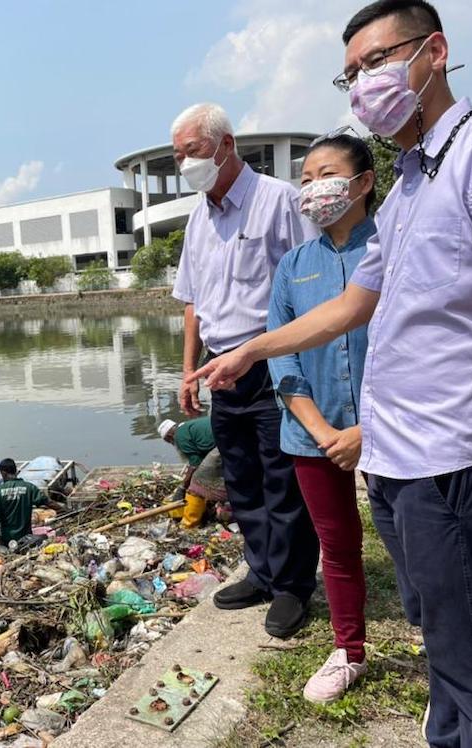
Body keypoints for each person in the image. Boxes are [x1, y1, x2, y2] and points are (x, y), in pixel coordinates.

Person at [188, 2, 472, 744]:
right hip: (395, 459)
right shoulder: (410, 183)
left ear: (435, 52)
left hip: (450, 455)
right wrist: (252, 351)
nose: (364, 84)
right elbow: (357, 304)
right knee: (446, 650)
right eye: (352, 72)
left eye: (377, 61)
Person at [171, 101, 320, 638]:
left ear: (226, 145)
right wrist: (190, 371)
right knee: (241, 478)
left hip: (273, 361)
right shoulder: (198, 218)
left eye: (194, 151)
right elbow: (192, 301)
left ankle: (293, 586)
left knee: (284, 478)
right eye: (179, 155)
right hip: (220, 369)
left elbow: (314, 281)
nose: (186, 163)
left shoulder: (278, 201)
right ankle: (260, 571)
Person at [266, 131, 378, 703]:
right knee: (337, 545)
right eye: (305, 179)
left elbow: (416, 345)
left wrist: (368, 429)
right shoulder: (294, 266)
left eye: (325, 175)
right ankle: (349, 651)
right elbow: (282, 354)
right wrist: (324, 431)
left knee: (416, 542)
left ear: (363, 183)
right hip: (314, 435)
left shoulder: (391, 246)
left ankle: (447, 652)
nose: (313, 189)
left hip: (391, 430)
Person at [0, 458, 65, 551]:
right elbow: (47, 502)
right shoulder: (29, 487)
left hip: (7, 540)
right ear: (16, 471)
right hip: (26, 538)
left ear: (3, 473)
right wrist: (65, 511)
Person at [158, 416, 217, 527]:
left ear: (170, 436)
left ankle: (190, 523)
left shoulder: (179, 437)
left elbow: (195, 465)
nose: (172, 444)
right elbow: (200, 456)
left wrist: (183, 486)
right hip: (228, 434)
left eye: (169, 442)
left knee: (197, 483)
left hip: (224, 441)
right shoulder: (187, 427)